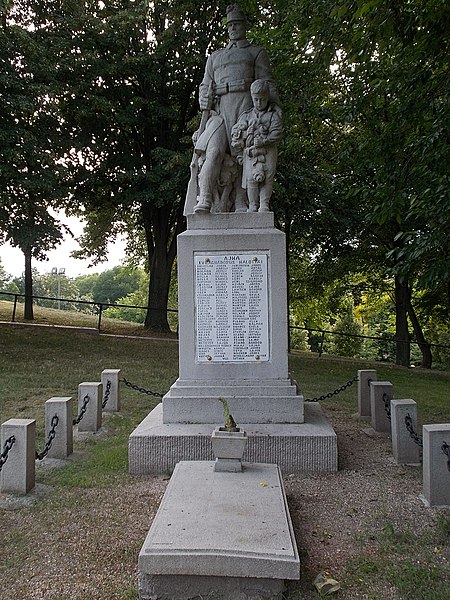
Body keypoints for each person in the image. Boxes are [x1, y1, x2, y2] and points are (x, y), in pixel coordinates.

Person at [185, 4, 279, 215]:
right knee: (214, 151)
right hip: (218, 111)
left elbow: (267, 84)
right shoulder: (215, 57)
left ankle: (241, 203)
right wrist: (203, 97)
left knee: (243, 155)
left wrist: (274, 111)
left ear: (244, 26)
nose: (233, 28)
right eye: (230, 25)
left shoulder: (256, 52)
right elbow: (204, 84)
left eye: (237, 24)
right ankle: (205, 199)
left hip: (246, 107)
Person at [231, 79, 282, 212]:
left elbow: (276, 134)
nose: (259, 103)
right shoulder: (247, 116)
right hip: (251, 153)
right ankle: (253, 205)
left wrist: (264, 141)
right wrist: (243, 134)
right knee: (251, 180)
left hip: (268, 151)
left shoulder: (273, 116)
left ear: (267, 97)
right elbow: (236, 131)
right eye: (256, 99)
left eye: (262, 99)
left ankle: (264, 204)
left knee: (267, 178)